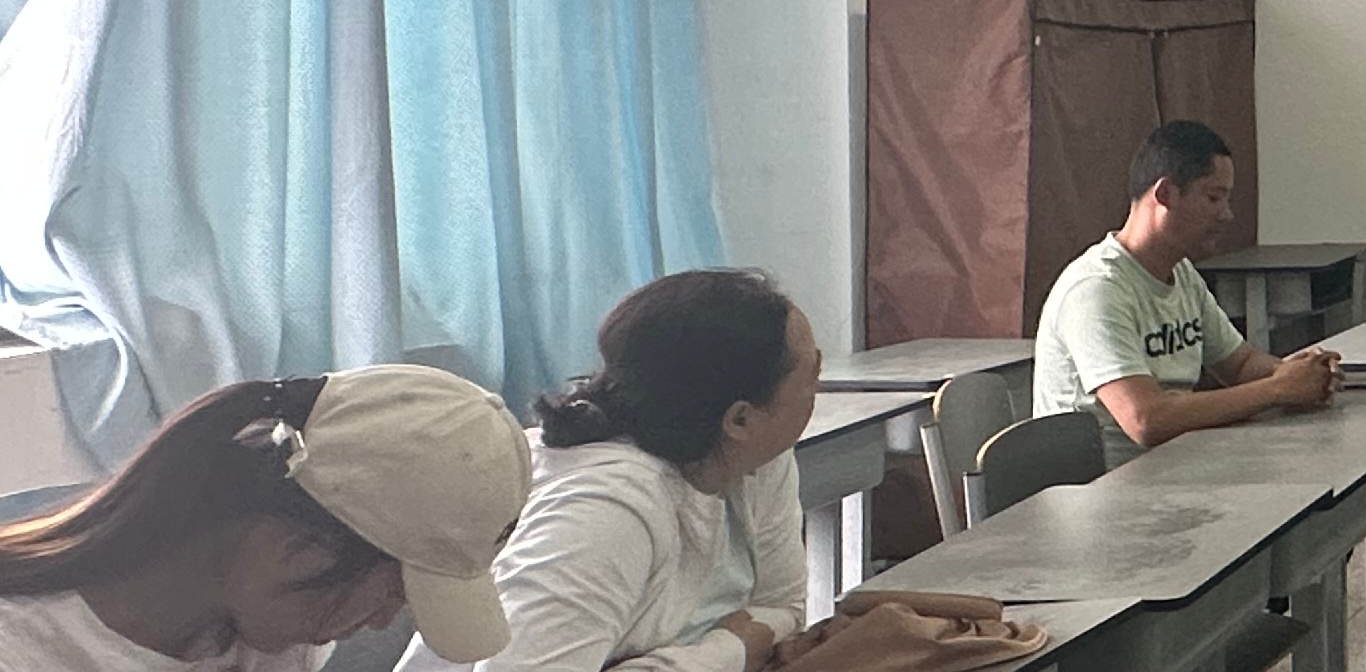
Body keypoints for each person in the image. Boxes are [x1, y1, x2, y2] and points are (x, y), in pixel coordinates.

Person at [401, 269, 818, 672]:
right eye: (810, 379)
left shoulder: (754, 458)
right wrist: (727, 651)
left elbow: (782, 610)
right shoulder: (604, 510)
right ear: (740, 419)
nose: (816, 392)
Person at [0, 364, 528, 669]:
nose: (381, 622)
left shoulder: (267, 636)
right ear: (296, 548)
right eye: (396, 592)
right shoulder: (23, 650)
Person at [1035, 119, 1342, 467]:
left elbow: (1240, 364)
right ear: (1165, 194)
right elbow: (1146, 420)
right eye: (1213, 197)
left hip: (1173, 468)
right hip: (1106, 487)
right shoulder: (1096, 290)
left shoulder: (1181, 273)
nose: (1226, 215)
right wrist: (1277, 389)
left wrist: (1303, 374)